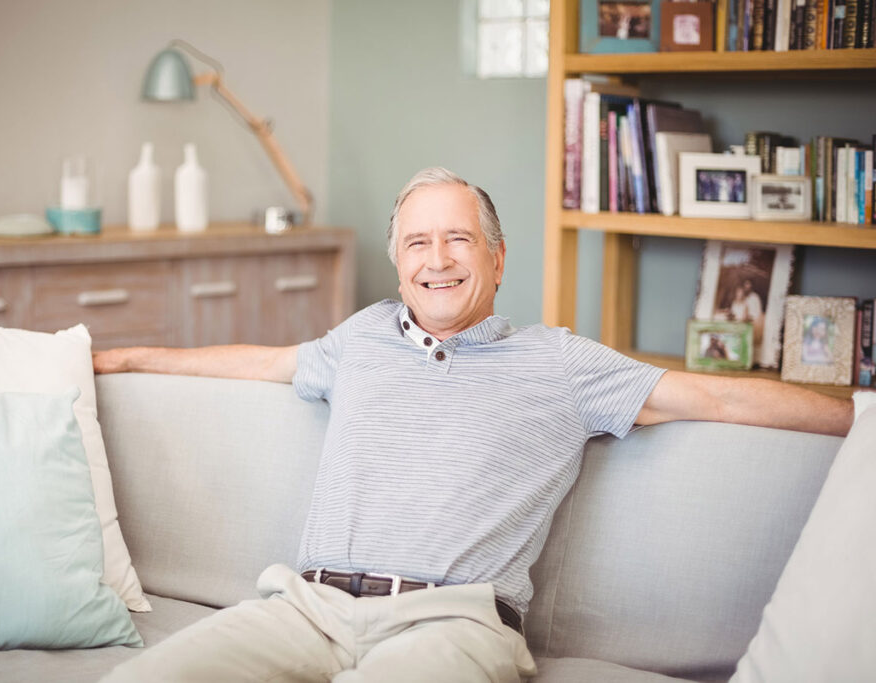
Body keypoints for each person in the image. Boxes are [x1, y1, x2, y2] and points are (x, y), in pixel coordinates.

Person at [94, 167, 852, 683]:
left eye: (458, 239)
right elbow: (259, 364)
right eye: (417, 243)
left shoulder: (559, 363)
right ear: (398, 266)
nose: (438, 259)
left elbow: (715, 399)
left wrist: (863, 414)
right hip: (308, 606)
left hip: (452, 622)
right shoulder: (360, 339)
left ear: (494, 258)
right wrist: (125, 360)